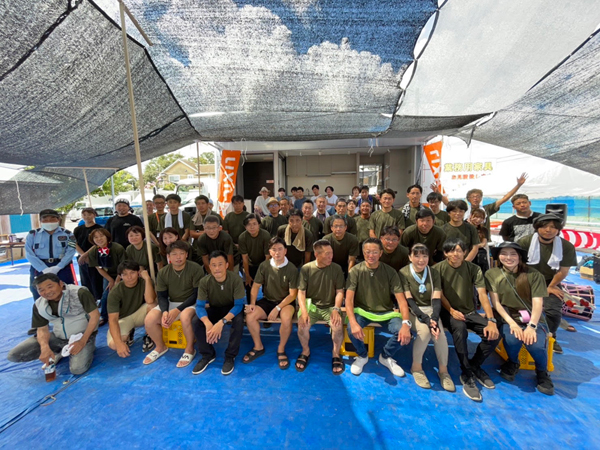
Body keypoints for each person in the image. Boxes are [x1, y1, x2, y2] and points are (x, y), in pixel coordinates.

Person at [435, 238, 500, 402]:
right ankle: (466, 372)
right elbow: (439, 293)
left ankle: (474, 364)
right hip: (448, 312)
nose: (455, 254)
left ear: (465, 252)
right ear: (445, 253)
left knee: (494, 334)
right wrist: (451, 310)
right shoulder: (437, 269)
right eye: (451, 250)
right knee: (460, 331)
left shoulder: (474, 269)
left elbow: (482, 294)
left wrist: (491, 319)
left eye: (459, 250)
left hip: (470, 312)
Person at [486, 242, 554, 395]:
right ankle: (513, 362)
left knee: (534, 344)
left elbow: (538, 303)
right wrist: (511, 323)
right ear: (498, 256)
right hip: (509, 317)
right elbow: (496, 303)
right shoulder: (492, 274)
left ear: (520, 257)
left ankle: (542, 372)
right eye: (504, 253)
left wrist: (532, 326)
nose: (508, 257)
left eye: (513, 254)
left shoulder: (534, 275)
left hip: (533, 319)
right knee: (512, 339)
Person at [8, 274, 99, 375]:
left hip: (83, 336)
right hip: (58, 337)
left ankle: (87, 347)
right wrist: (45, 348)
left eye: (50, 286)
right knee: (14, 355)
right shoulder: (39, 304)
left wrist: (82, 341)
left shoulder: (79, 292)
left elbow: (95, 316)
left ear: (60, 284)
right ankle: (57, 351)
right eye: (41, 290)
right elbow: (42, 329)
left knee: (77, 369)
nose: (47, 292)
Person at [345, 238, 412, 376]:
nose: (371, 255)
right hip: (363, 311)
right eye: (367, 252)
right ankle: (362, 355)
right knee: (352, 329)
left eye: (375, 252)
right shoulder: (355, 271)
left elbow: (401, 301)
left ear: (381, 253)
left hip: (386, 313)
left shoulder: (390, 272)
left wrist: (406, 324)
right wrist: (353, 321)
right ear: (363, 253)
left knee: (402, 332)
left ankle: (385, 356)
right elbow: (349, 299)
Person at [517, 214, 577, 354]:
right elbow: (517, 265)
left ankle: (550, 336)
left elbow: (563, 271)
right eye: (544, 226)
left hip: (551, 281)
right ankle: (522, 332)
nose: (548, 230)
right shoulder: (524, 242)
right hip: (526, 278)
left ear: (558, 230)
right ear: (537, 228)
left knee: (553, 312)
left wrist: (550, 287)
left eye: (553, 227)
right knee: (520, 308)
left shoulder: (566, 246)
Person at [399, 244, 454, 391]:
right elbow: (409, 300)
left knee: (440, 335)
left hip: (431, 310)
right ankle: (416, 367)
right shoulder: (403, 273)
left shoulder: (433, 273)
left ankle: (444, 371)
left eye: (424, 256)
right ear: (410, 257)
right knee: (424, 332)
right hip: (413, 310)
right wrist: (427, 321)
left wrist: (434, 319)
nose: (421, 259)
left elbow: (436, 298)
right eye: (416, 255)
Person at [143, 240, 204, 366]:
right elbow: (162, 296)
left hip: (191, 303)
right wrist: (165, 311)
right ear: (168, 256)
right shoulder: (163, 272)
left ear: (186, 254)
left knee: (184, 316)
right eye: (174, 254)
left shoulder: (195, 268)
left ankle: (189, 349)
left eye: (181, 253)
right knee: (149, 319)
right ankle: (160, 347)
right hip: (172, 302)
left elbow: (197, 295)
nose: (178, 257)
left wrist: (178, 310)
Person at [243, 237, 299, 369]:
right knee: (250, 316)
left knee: (286, 319)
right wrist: (252, 304)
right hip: (267, 300)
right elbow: (256, 286)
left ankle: (281, 349)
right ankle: (258, 346)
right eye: (274, 250)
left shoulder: (291, 268)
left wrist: (278, 308)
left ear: (285, 251)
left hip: (285, 302)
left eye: (280, 249)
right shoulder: (264, 265)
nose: (277, 252)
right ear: (270, 251)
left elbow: (293, 294)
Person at [192, 251, 246, 375]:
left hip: (232, 308)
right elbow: (199, 306)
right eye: (214, 265)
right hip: (215, 307)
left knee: (238, 321)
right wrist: (207, 323)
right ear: (209, 267)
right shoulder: (205, 281)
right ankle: (207, 354)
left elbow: (238, 305)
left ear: (227, 265)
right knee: (196, 321)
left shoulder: (235, 279)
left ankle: (230, 356)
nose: (217, 268)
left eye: (220, 264)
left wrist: (221, 323)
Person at [296, 240, 345, 374]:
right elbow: (301, 292)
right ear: (317, 254)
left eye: (331, 253)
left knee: (337, 326)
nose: (331, 257)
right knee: (302, 326)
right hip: (311, 305)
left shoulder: (336, 269)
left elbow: (340, 291)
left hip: (329, 306)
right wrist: (304, 312)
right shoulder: (307, 269)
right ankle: (305, 351)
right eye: (327, 254)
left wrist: (336, 309)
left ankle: (336, 354)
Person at [25, 209, 77, 335]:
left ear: (58, 219)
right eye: (45, 219)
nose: (49, 222)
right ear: (40, 221)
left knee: (67, 290)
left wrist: (58, 267)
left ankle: (70, 320)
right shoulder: (33, 234)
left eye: (52, 219)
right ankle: (41, 323)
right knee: (38, 293)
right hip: (40, 266)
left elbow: (71, 250)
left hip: (62, 266)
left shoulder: (68, 234)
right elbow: (28, 253)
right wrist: (43, 268)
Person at [107, 261, 156, 357]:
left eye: (132, 273)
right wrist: (119, 344)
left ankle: (149, 334)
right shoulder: (115, 292)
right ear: (120, 276)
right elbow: (113, 320)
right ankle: (129, 333)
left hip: (139, 314)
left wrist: (147, 279)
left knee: (153, 306)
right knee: (114, 345)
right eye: (125, 274)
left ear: (138, 272)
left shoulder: (144, 282)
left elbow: (150, 300)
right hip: (123, 319)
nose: (129, 277)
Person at [87, 228, 126, 327]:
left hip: (122, 273)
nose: (99, 239)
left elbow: (124, 265)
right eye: (96, 237)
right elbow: (99, 268)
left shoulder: (117, 248)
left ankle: (123, 314)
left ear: (107, 237)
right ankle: (104, 316)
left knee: (121, 293)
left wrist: (117, 280)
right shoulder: (93, 252)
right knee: (106, 294)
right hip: (108, 275)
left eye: (101, 236)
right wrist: (110, 280)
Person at [238, 214, 271, 300]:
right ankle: (250, 306)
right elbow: (244, 258)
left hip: (264, 263)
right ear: (245, 227)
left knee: (267, 287)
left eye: (254, 224)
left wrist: (263, 273)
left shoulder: (265, 235)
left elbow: (267, 256)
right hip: (250, 264)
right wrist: (247, 275)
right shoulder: (242, 237)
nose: (252, 227)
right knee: (248, 285)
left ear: (259, 224)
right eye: (249, 224)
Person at [73, 207, 103, 300]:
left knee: (96, 279)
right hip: (82, 258)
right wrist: (82, 255)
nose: (87, 217)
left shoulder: (99, 228)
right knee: (85, 279)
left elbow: (99, 243)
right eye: (84, 214)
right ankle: (89, 299)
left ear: (94, 215)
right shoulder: (78, 229)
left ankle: (99, 298)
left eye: (89, 214)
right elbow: (73, 243)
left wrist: (86, 255)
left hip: (95, 257)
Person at [467, 208, 490, 274]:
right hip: (467, 253)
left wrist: (473, 246)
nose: (478, 220)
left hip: (479, 256)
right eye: (476, 217)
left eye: (481, 218)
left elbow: (483, 243)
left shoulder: (484, 230)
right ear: (471, 216)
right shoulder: (466, 227)